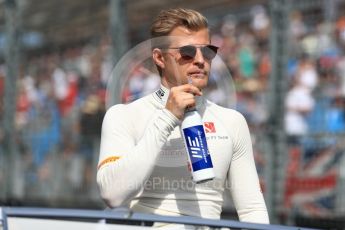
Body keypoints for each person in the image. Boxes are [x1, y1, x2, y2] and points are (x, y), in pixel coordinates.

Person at [97, 8, 269, 226]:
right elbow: (112, 194)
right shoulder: (124, 115)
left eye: (208, 51)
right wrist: (168, 117)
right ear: (159, 58)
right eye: (187, 52)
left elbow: (252, 208)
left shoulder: (232, 121)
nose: (200, 60)